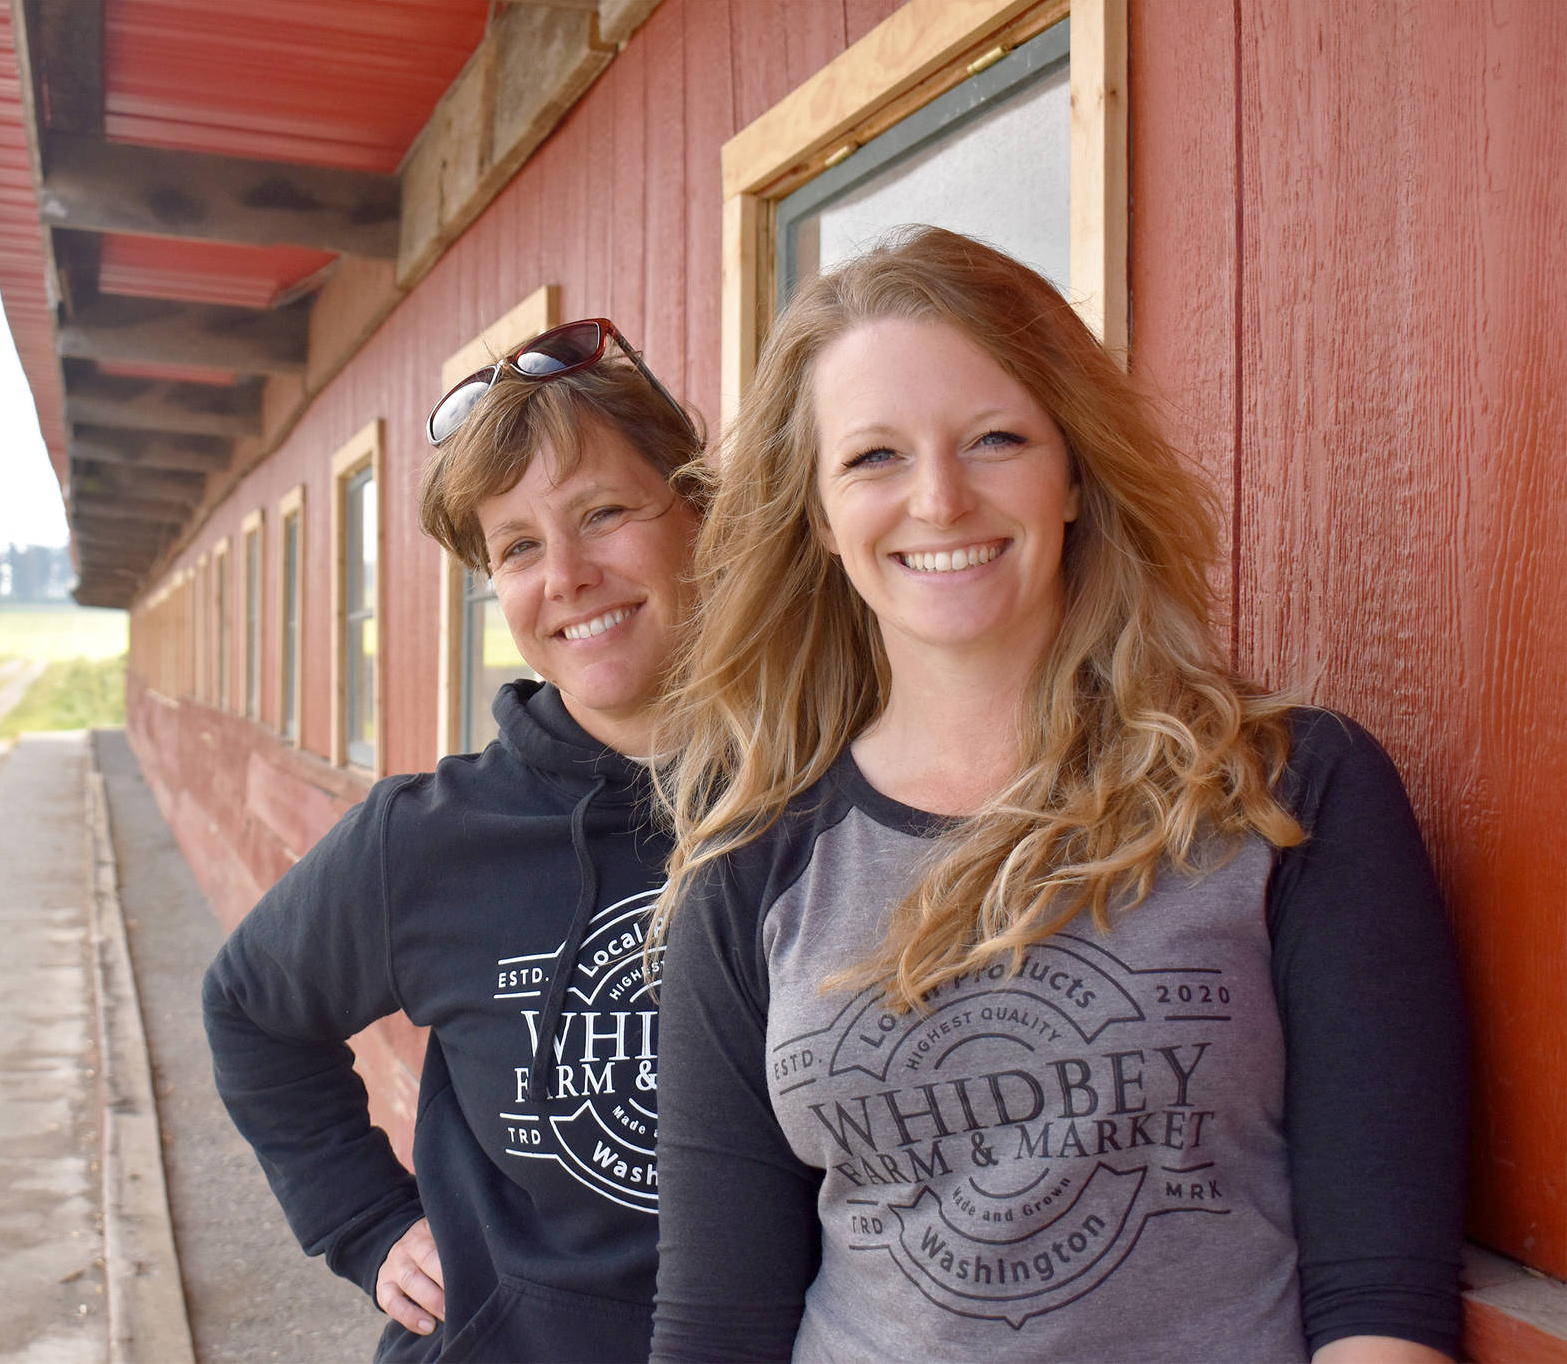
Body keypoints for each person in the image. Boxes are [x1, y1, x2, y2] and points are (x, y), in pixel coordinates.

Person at [648, 227, 1466, 1363]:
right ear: (818, 518)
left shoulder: (1281, 790)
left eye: (993, 438)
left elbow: (1381, 1292)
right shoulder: (752, 866)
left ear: (1071, 472)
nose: (937, 499)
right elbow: (716, 1323)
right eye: (872, 457)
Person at [203, 319, 707, 1362]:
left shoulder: (827, 796)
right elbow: (248, 1009)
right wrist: (364, 1224)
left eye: (602, 513)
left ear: (699, 515)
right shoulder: (425, 841)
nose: (563, 575)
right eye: (516, 546)